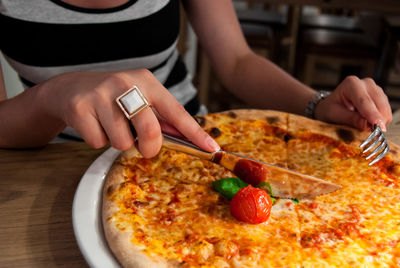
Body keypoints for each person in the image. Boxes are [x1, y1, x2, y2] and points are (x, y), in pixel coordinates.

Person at [0, 0, 392, 158]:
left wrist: (316, 104)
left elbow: (237, 61)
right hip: (54, 155)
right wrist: (54, 95)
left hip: (193, 144)